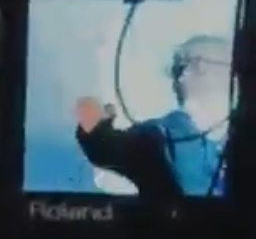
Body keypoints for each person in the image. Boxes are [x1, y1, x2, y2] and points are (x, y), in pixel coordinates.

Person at [74, 34, 233, 200]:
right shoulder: (155, 135)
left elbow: (99, 145)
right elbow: (100, 145)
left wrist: (95, 121)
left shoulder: (155, 135)